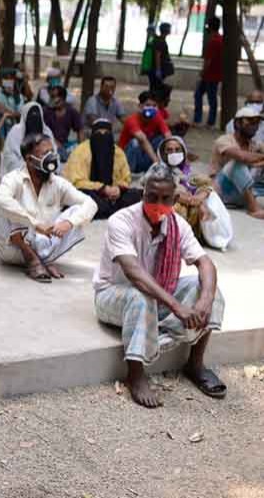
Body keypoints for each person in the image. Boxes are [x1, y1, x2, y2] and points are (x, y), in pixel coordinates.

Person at [93, 164, 227, 408]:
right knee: (141, 296)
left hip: (158, 294)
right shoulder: (121, 221)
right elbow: (134, 273)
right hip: (113, 294)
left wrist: (204, 301)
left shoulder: (178, 225)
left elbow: (205, 263)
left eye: (165, 198)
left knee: (210, 288)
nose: (157, 203)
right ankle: (135, 374)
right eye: (151, 196)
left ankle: (195, 364)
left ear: (175, 198)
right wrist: (176, 306)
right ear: (142, 193)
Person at [0, 133, 98, 283]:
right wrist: (35, 224)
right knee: (9, 205)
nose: (52, 157)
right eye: (45, 153)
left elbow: (90, 204)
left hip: (42, 245)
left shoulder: (58, 183)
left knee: (77, 212)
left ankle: (42, 259)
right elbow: (0, 200)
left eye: (52, 152)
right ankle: (33, 260)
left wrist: (68, 223)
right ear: (29, 159)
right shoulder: (13, 179)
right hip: (11, 249)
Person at [158, 136, 232, 247]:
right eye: (169, 150)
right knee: (177, 207)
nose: (174, 153)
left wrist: (201, 197)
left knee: (210, 196)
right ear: (163, 154)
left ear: (184, 152)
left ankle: (214, 236)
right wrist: (194, 201)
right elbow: (169, 191)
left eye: (178, 150)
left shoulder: (187, 172)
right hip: (166, 207)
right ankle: (174, 238)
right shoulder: (158, 171)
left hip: (192, 201)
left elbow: (209, 184)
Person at [63, 119, 142, 219]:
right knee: (82, 197)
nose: (103, 136)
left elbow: (126, 178)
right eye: (99, 133)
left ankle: (105, 209)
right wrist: (103, 188)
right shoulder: (81, 151)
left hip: (113, 195)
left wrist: (118, 189)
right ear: (92, 134)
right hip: (91, 192)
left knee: (136, 194)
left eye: (106, 133)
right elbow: (76, 182)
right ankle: (111, 210)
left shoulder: (118, 152)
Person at [211, 106, 264, 219]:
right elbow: (242, 157)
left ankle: (250, 201)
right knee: (237, 163)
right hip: (220, 193)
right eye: (250, 121)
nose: (254, 125)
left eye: (257, 122)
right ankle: (253, 209)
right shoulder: (224, 140)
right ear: (238, 123)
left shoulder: (255, 145)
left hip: (242, 194)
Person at [119, 91, 171, 173]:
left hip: (145, 156)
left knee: (163, 140)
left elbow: (168, 135)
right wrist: (157, 162)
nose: (151, 108)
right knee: (135, 142)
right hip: (127, 159)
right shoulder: (131, 120)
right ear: (140, 106)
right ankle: (129, 173)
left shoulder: (157, 117)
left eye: (154, 106)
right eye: (148, 105)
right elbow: (142, 139)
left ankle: (161, 168)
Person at [0, 102, 54, 177]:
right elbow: (9, 157)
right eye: (31, 117)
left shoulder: (47, 132)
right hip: (19, 171)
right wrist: (29, 168)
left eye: (37, 116)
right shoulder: (15, 131)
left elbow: (54, 154)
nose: (34, 120)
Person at [193, 17, 223, 127]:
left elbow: (208, 60)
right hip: (215, 74)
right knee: (203, 96)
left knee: (209, 98)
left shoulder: (213, 41)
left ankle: (204, 120)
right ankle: (205, 120)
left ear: (210, 27)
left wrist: (202, 72)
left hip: (209, 75)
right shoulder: (221, 39)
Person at [44, 85, 83, 161]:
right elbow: (45, 133)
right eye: (52, 97)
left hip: (65, 144)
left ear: (63, 98)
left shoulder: (71, 112)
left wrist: (81, 148)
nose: (53, 99)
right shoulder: (47, 112)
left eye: (55, 96)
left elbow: (80, 130)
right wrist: (57, 144)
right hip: (50, 144)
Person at [0, 68, 24, 140]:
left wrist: (16, 98)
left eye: (11, 80)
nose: (9, 83)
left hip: (13, 128)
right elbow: (0, 109)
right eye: (7, 80)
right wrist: (13, 114)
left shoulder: (18, 96)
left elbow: (21, 113)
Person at [150, 22, 174, 92]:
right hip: (156, 69)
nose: (170, 30)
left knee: (155, 87)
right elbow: (158, 55)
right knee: (155, 88)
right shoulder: (161, 41)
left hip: (155, 69)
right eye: (169, 28)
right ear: (166, 30)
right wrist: (158, 70)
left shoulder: (159, 39)